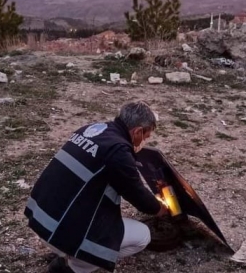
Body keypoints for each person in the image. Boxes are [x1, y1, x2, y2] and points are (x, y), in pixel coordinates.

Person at [24, 101, 169, 273]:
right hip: (60, 233)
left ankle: (64, 253)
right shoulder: (118, 151)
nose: (144, 141)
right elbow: (137, 194)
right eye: (145, 136)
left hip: (40, 220)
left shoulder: (91, 130)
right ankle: (76, 266)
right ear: (137, 131)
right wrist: (159, 208)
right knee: (143, 236)